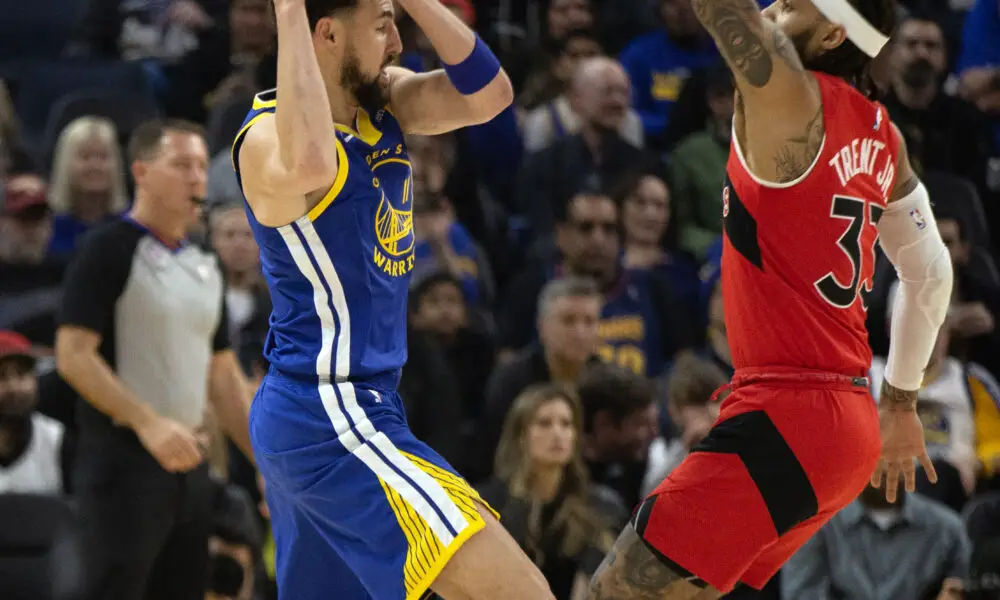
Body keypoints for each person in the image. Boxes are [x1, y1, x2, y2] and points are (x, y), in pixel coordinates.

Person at [586, 0, 954, 598]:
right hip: (845, 424)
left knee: (617, 589)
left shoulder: (786, 90)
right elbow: (932, 274)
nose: (774, 4)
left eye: (793, 1)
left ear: (834, 32)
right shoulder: (884, 134)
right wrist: (901, 400)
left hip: (789, 413)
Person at [229, 0, 553, 598]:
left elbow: (491, 94)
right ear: (325, 32)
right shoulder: (265, 138)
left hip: (356, 407)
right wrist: (289, 10)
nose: (399, 42)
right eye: (382, 26)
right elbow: (310, 161)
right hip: (326, 412)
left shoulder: (387, 101)